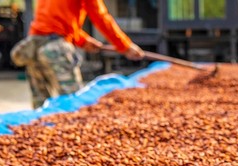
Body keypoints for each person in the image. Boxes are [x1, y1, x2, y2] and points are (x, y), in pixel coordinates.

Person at [11, 0, 145, 109]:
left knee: (40, 105)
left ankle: (40, 138)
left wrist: (83, 41)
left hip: (33, 46)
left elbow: (53, 22)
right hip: (55, 49)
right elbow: (100, 16)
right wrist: (125, 46)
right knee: (73, 104)